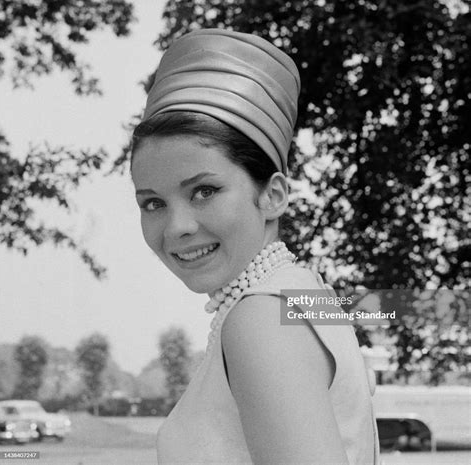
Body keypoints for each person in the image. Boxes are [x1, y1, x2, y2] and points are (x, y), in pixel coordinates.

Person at [131, 28, 380, 465]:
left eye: (204, 191)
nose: (177, 227)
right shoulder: (297, 296)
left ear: (274, 195)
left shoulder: (260, 317)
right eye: (153, 202)